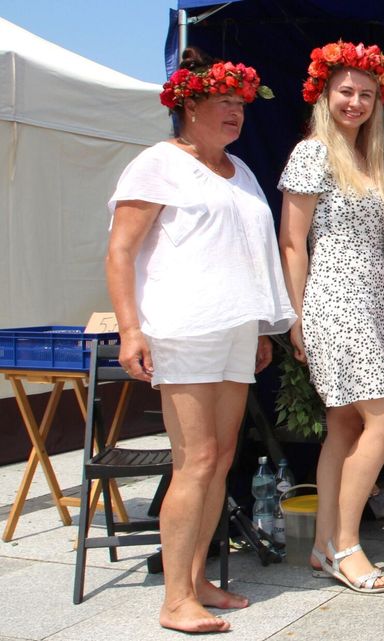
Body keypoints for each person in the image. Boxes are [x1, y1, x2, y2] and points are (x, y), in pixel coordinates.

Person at [106, 48, 293, 633]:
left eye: (240, 105)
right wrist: (130, 328)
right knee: (195, 460)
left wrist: (261, 327)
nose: (236, 114)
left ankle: (197, 580)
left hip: (236, 328)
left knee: (222, 458)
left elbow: (248, 251)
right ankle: (173, 600)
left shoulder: (242, 171)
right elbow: (120, 251)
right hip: (184, 326)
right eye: (223, 103)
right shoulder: (158, 163)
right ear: (188, 105)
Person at [278, 40, 384, 594]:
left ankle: (324, 543)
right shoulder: (313, 154)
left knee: (344, 425)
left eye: (366, 95)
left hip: (370, 308)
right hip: (333, 303)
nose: (355, 102)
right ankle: (347, 547)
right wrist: (297, 316)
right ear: (324, 95)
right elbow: (291, 241)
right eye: (345, 92)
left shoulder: (368, 161)